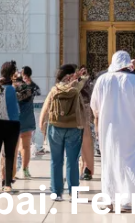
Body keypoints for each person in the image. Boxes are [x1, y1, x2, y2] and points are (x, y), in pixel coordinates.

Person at [90, 50, 135, 209]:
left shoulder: (102, 80)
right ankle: (126, 200)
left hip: (108, 130)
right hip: (131, 129)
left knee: (110, 162)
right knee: (130, 163)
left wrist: (99, 124)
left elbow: (94, 106)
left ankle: (109, 200)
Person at [40, 64, 87, 199]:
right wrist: (80, 76)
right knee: (72, 160)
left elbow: (46, 107)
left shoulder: (55, 89)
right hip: (73, 127)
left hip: (55, 127)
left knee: (56, 160)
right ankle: (73, 192)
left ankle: (56, 192)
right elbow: (84, 80)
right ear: (70, 76)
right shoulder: (75, 88)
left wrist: (42, 125)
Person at [0, 62, 21, 193]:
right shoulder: (11, 89)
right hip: (12, 124)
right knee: (9, 155)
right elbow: (16, 108)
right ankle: (7, 185)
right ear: (12, 74)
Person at [14, 66, 41, 179]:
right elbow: (38, 91)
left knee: (14, 147)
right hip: (28, 117)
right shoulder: (31, 86)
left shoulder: (15, 87)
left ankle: (12, 172)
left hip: (16, 118)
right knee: (26, 146)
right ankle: (25, 170)